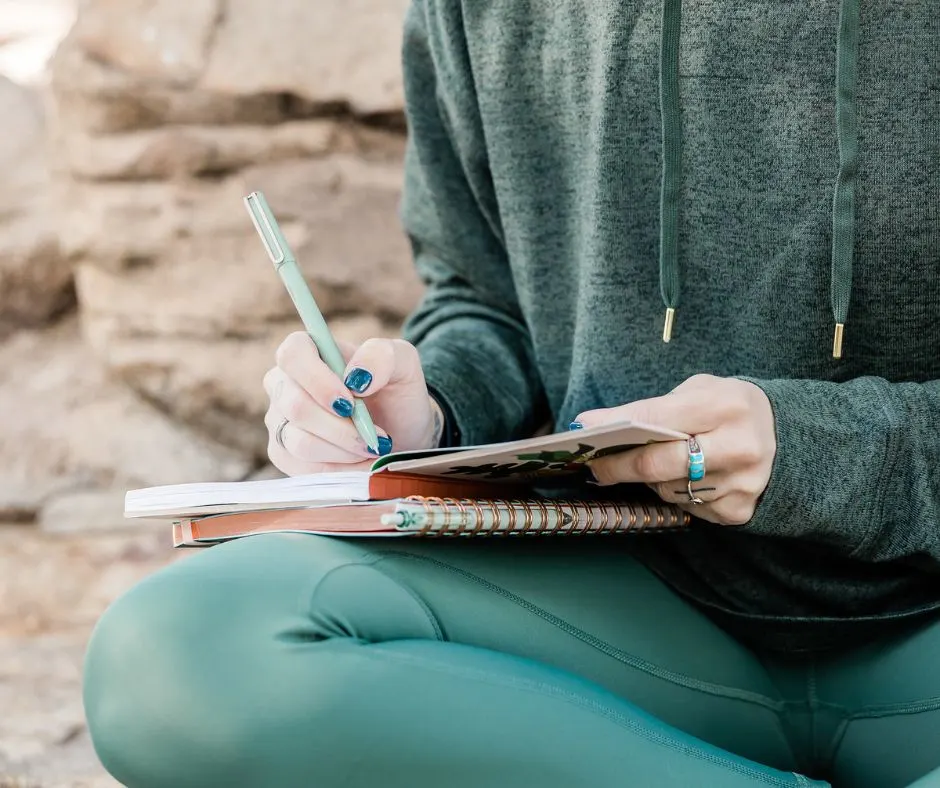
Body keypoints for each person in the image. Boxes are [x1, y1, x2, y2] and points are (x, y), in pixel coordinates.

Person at [81, 1, 940, 786]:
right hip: (631, 617)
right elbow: (481, 292)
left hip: (922, 625)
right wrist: (427, 408)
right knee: (171, 654)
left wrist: (821, 449)